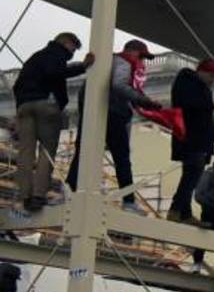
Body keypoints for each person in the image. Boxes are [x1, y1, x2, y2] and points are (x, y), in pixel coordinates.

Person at [65, 39, 164, 213]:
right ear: (133, 52)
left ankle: (68, 191)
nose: (142, 62)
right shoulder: (124, 62)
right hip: (113, 113)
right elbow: (119, 85)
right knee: (122, 158)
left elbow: (84, 91)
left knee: (83, 152)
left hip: (94, 111)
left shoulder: (105, 63)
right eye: (142, 57)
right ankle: (128, 200)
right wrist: (144, 101)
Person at [11, 32, 93, 212]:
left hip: (24, 107)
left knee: (25, 153)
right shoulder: (56, 55)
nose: (72, 53)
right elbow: (55, 73)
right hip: (46, 104)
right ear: (66, 42)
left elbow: (16, 86)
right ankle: (38, 196)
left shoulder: (35, 57)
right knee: (47, 151)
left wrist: (21, 106)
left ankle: (24, 195)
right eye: (73, 47)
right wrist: (82, 66)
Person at [169, 58, 214, 224]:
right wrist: (212, 104)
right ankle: (176, 209)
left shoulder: (203, 89)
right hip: (189, 138)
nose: (212, 80)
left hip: (198, 139)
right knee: (192, 175)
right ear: (201, 71)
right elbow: (187, 104)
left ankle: (184, 213)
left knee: (192, 176)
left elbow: (205, 119)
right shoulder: (185, 81)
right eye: (211, 76)